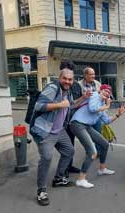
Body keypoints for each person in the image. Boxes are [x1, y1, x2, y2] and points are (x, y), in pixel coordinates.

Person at [30, 60, 91, 206]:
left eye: (70, 79)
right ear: (60, 78)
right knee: (47, 157)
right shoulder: (52, 88)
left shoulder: (67, 91)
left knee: (69, 151)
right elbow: (38, 105)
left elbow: (70, 105)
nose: (67, 82)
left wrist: (84, 97)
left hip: (59, 130)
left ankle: (58, 179)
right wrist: (58, 104)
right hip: (45, 131)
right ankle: (41, 191)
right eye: (65, 79)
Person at [70, 84, 125, 188]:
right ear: (100, 90)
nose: (107, 93)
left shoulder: (101, 105)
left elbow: (107, 121)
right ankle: (81, 179)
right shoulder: (95, 95)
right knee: (92, 151)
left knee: (104, 144)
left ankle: (102, 169)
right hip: (77, 124)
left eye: (109, 93)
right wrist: (107, 106)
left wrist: (118, 114)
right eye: (105, 91)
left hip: (87, 126)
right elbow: (92, 108)